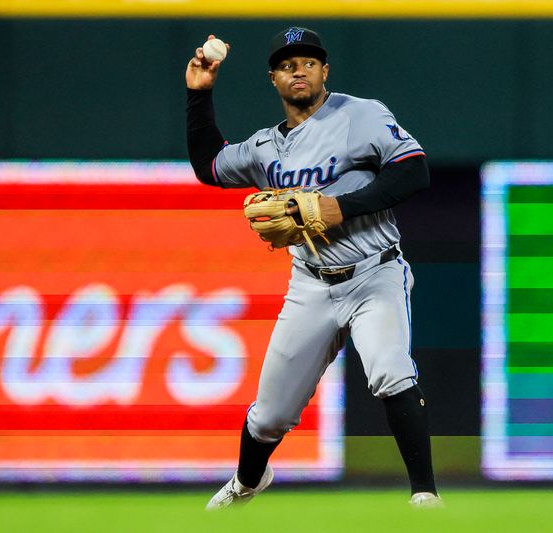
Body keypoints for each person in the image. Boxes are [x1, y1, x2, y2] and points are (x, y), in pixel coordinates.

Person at [185, 27, 441, 509]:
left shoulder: (360, 114)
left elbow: (413, 170)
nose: (297, 70)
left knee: (390, 372)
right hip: (310, 284)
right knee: (267, 417)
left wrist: (341, 207)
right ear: (273, 79)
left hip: (374, 272)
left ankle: (425, 494)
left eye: (307, 61)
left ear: (325, 70)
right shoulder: (264, 147)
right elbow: (209, 165)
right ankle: (246, 482)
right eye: (286, 64)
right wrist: (199, 94)